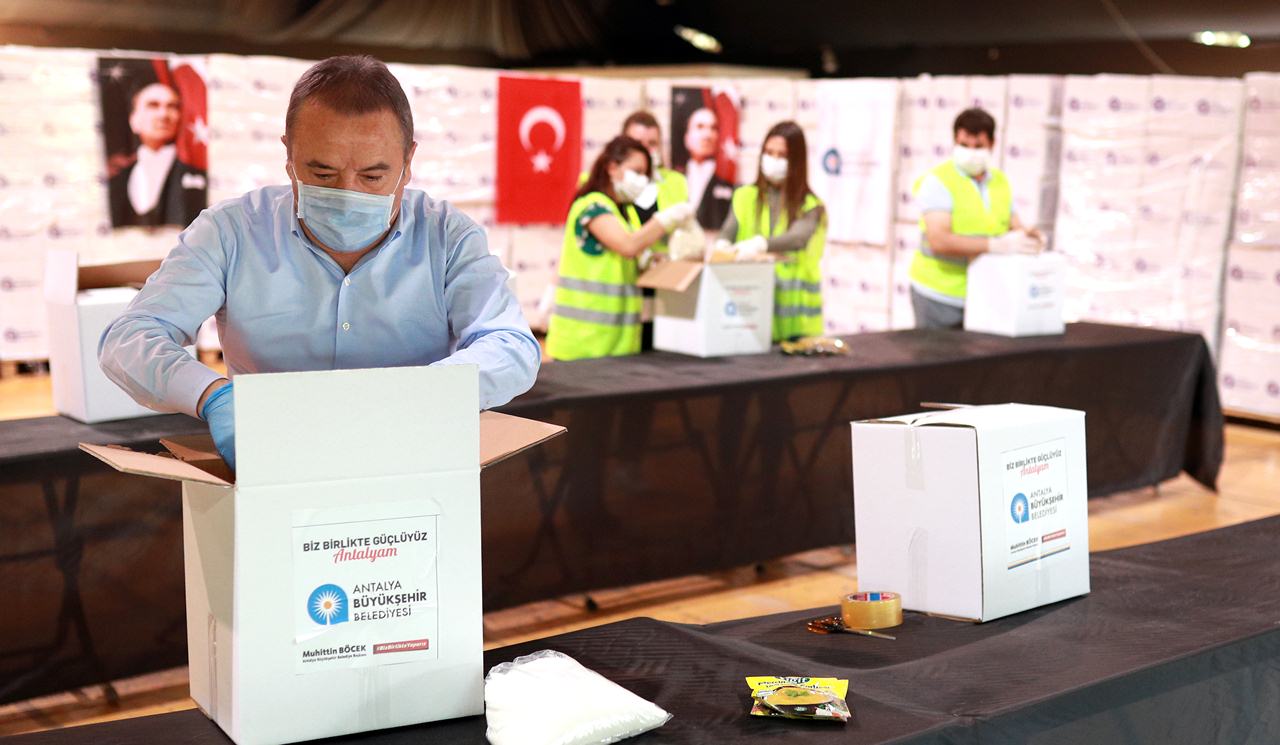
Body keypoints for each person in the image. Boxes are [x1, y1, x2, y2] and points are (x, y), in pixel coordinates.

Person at [99, 55, 540, 470]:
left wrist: (412, 395)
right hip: (268, 466)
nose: (349, 193)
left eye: (373, 176)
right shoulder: (230, 233)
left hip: (416, 463)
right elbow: (129, 340)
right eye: (323, 174)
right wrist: (211, 395)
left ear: (408, 163)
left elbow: (511, 346)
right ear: (288, 156)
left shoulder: (447, 236)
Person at [545, 135, 694, 360]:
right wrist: (668, 218)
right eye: (637, 171)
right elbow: (627, 245)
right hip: (583, 344)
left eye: (646, 174)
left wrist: (650, 261)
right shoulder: (592, 206)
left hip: (615, 344)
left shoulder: (624, 214)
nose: (642, 180)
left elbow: (628, 254)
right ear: (612, 168)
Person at [910, 107, 1044, 329]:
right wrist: (995, 245)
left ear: (992, 144)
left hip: (985, 294)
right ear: (955, 142)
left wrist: (1030, 238)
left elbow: (1014, 225)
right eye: (964, 145)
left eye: (978, 146)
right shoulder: (939, 181)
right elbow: (939, 240)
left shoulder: (1000, 182)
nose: (971, 152)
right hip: (939, 296)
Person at [718, 121, 827, 342]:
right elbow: (727, 233)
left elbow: (797, 238)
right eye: (768, 153)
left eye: (782, 155)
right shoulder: (745, 196)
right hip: (750, 315)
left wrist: (760, 244)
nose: (773, 160)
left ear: (796, 161)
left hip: (796, 325)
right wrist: (721, 249)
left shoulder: (810, 205)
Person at [108, 82, 207, 228]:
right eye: (153, 105)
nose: (163, 114)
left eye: (172, 106)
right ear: (133, 119)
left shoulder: (199, 178)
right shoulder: (115, 180)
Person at [680, 106, 734, 230]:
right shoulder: (674, 178)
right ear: (687, 136)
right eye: (700, 127)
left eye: (713, 128)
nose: (707, 135)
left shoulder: (728, 181)